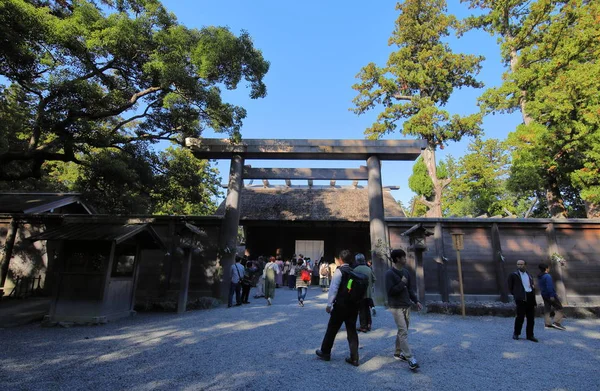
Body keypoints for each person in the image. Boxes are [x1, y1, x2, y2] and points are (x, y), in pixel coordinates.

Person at [315, 249, 360, 367]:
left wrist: (329, 304)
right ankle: (354, 357)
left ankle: (325, 352)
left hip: (341, 305)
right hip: (353, 306)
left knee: (332, 328)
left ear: (340, 259)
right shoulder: (354, 272)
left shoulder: (340, 272)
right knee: (352, 331)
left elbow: (334, 289)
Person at [386, 249, 422, 371]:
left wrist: (416, 301)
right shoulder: (389, 274)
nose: (405, 259)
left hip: (406, 304)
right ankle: (410, 358)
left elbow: (410, 289)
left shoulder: (406, 272)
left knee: (403, 330)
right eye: (403, 257)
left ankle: (397, 352)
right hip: (396, 306)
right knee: (403, 331)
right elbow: (390, 291)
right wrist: (402, 283)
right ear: (397, 259)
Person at [508, 259, 539, 342]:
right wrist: (517, 295)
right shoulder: (514, 275)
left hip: (530, 297)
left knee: (531, 318)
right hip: (521, 298)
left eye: (521, 264)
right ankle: (516, 333)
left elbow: (531, 285)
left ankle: (530, 335)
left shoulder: (529, 275)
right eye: (518, 264)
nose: (519, 266)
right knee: (520, 317)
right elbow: (510, 287)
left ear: (525, 265)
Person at [538, 263, 566, 330]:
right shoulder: (547, 276)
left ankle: (547, 324)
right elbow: (549, 286)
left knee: (547, 308)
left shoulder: (540, 276)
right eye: (548, 268)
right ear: (546, 269)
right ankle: (557, 323)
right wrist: (552, 295)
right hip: (550, 294)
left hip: (544, 294)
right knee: (559, 308)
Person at [353, 253, 376, 332]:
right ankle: (369, 324)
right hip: (368, 293)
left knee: (361, 310)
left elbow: (350, 281)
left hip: (359, 294)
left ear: (356, 260)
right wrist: (370, 285)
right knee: (367, 309)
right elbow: (374, 279)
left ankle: (363, 326)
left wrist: (349, 289)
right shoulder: (368, 269)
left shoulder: (355, 270)